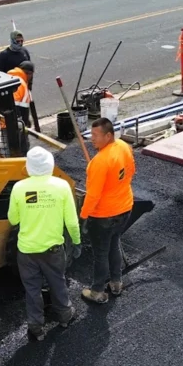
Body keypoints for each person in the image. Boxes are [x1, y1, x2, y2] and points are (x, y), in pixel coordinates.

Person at [8, 147, 81, 341]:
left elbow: (13, 219)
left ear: (29, 167)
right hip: (53, 251)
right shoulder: (62, 186)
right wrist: (77, 241)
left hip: (26, 252)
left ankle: (36, 327)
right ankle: (65, 317)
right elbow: (72, 222)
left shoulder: (19, 187)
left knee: (32, 289)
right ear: (50, 164)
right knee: (58, 282)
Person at [80, 117, 135, 304]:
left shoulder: (99, 162)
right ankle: (116, 283)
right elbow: (130, 171)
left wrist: (83, 215)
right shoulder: (123, 146)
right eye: (91, 134)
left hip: (103, 216)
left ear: (108, 135)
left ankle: (96, 291)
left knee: (101, 254)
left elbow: (93, 196)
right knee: (114, 244)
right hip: (125, 208)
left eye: (96, 135)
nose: (91, 139)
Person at [7, 61, 34, 127]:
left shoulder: (13, 78)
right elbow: (13, 104)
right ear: (29, 73)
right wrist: (20, 122)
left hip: (12, 123)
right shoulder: (20, 84)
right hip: (14, 126)